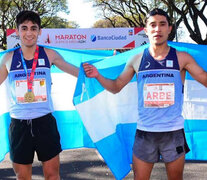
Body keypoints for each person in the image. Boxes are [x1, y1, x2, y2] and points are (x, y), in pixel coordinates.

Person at [83, 8, 207, 180]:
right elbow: (116, 86)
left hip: (173, 132)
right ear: (146, 30)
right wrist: (97, 75)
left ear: (169, 28)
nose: (158, 29)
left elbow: (204, 78)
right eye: (153, 25)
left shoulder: (182, 58)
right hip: (145, 133)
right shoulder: (136, 59)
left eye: (162, 24)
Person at [0, 10, 79, 180]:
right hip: (19, 126)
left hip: (44, 123)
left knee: (52, 175)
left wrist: (102, 68)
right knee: (23, 177)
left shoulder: (49, 54)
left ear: (39, 31)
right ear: (17, 31)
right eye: (24, 28)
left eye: (33, 28)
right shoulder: (8, 58)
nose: (29, 33)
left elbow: (77, 72)